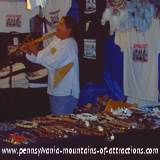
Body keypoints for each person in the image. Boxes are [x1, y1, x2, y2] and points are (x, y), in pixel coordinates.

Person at [23, 16, 80, 115]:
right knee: (55, 124)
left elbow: (53, 63)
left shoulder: (69, 45)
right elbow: (42, 56)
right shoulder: (56, 40)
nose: (57, 26)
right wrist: (29, 52)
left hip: (66, 93)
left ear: (69, 30)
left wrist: (35, 51)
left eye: (61, 24)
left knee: (63, 125)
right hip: (54, 90)